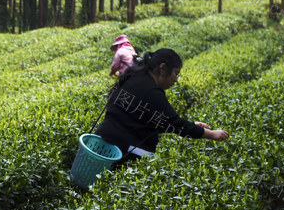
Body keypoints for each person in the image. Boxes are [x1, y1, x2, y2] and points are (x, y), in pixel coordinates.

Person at [94, 49, 229, 169]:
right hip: (123, 152)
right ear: (163, 69)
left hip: (103, 142)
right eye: (176, 73)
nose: (175, 79)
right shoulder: (151, 92)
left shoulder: (136, 78)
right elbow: (176, 124)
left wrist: (193, 125)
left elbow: (149, 121)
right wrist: (211, 134)